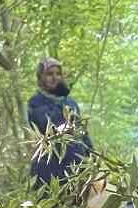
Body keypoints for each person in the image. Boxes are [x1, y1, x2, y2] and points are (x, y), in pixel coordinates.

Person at [26, 56, 94, 188]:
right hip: (48, 168)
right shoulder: (35, 102)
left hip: (75, 166)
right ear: (41, 77)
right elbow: (47, 125)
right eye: (49, 74)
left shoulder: (70, 102)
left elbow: (82, 132)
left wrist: (92, 155)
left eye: (58, 74)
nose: (54, 77)